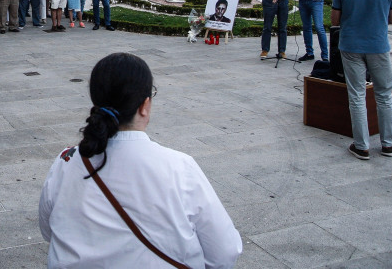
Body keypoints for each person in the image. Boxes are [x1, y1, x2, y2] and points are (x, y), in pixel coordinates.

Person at [38, 53, 242, 268]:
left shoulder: (66, 160)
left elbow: (48, 230)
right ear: (145, 105)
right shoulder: (179, 167)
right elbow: (224, 252)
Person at [331, 0, 392, 160]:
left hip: (351, 46)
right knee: (384, 95)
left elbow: (335, 21)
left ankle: (361, 146)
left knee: (357, 95)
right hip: (378, 46)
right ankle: (388, 144)